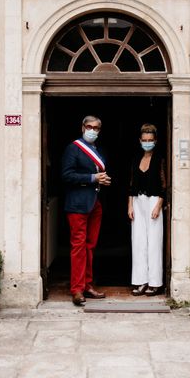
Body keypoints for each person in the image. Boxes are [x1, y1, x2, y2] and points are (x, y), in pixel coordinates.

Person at [61, 115, 111, 306]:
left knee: (90, 247)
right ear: (83, 127)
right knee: (78, 247)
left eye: (96, 128)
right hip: (77, 204)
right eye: (89, 127)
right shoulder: (73, 148)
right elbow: (66, 175)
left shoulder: (96, 149)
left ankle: (87, 285)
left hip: (94, 203)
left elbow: (97, 174)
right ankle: (76, 289)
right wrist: (93, 178)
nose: (93, 130)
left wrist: (102, 180)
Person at [128, 123, 166, 297]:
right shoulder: (136, 158)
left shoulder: (160, 159)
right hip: (137, 201)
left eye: (150, 140)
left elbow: (164, 184)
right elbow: (131, 183)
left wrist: (158, 205)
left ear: (155, 141)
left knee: (154, 243)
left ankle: (155, 282)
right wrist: (130, 204)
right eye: (144, 140)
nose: (147, 143)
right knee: (138, 242)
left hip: (153, 201)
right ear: (140, 141)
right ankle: (141, 280)